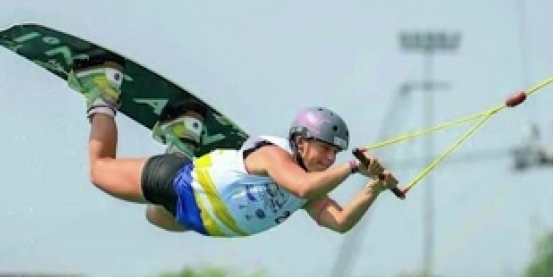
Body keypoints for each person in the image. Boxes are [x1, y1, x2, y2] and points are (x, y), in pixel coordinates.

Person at [67, 59, 397, 237]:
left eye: (336, 154)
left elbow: (339, 223)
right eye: (324, 149)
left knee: (155, 218)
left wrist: (374, 188)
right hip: (179, 184)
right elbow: (302, 184)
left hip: (195, 217)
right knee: (99, 170)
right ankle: (103, 91)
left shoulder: (311, 191)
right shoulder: (274, 155)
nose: (329, 158)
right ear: (299, 141)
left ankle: (183, 137)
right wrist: (353, 167)